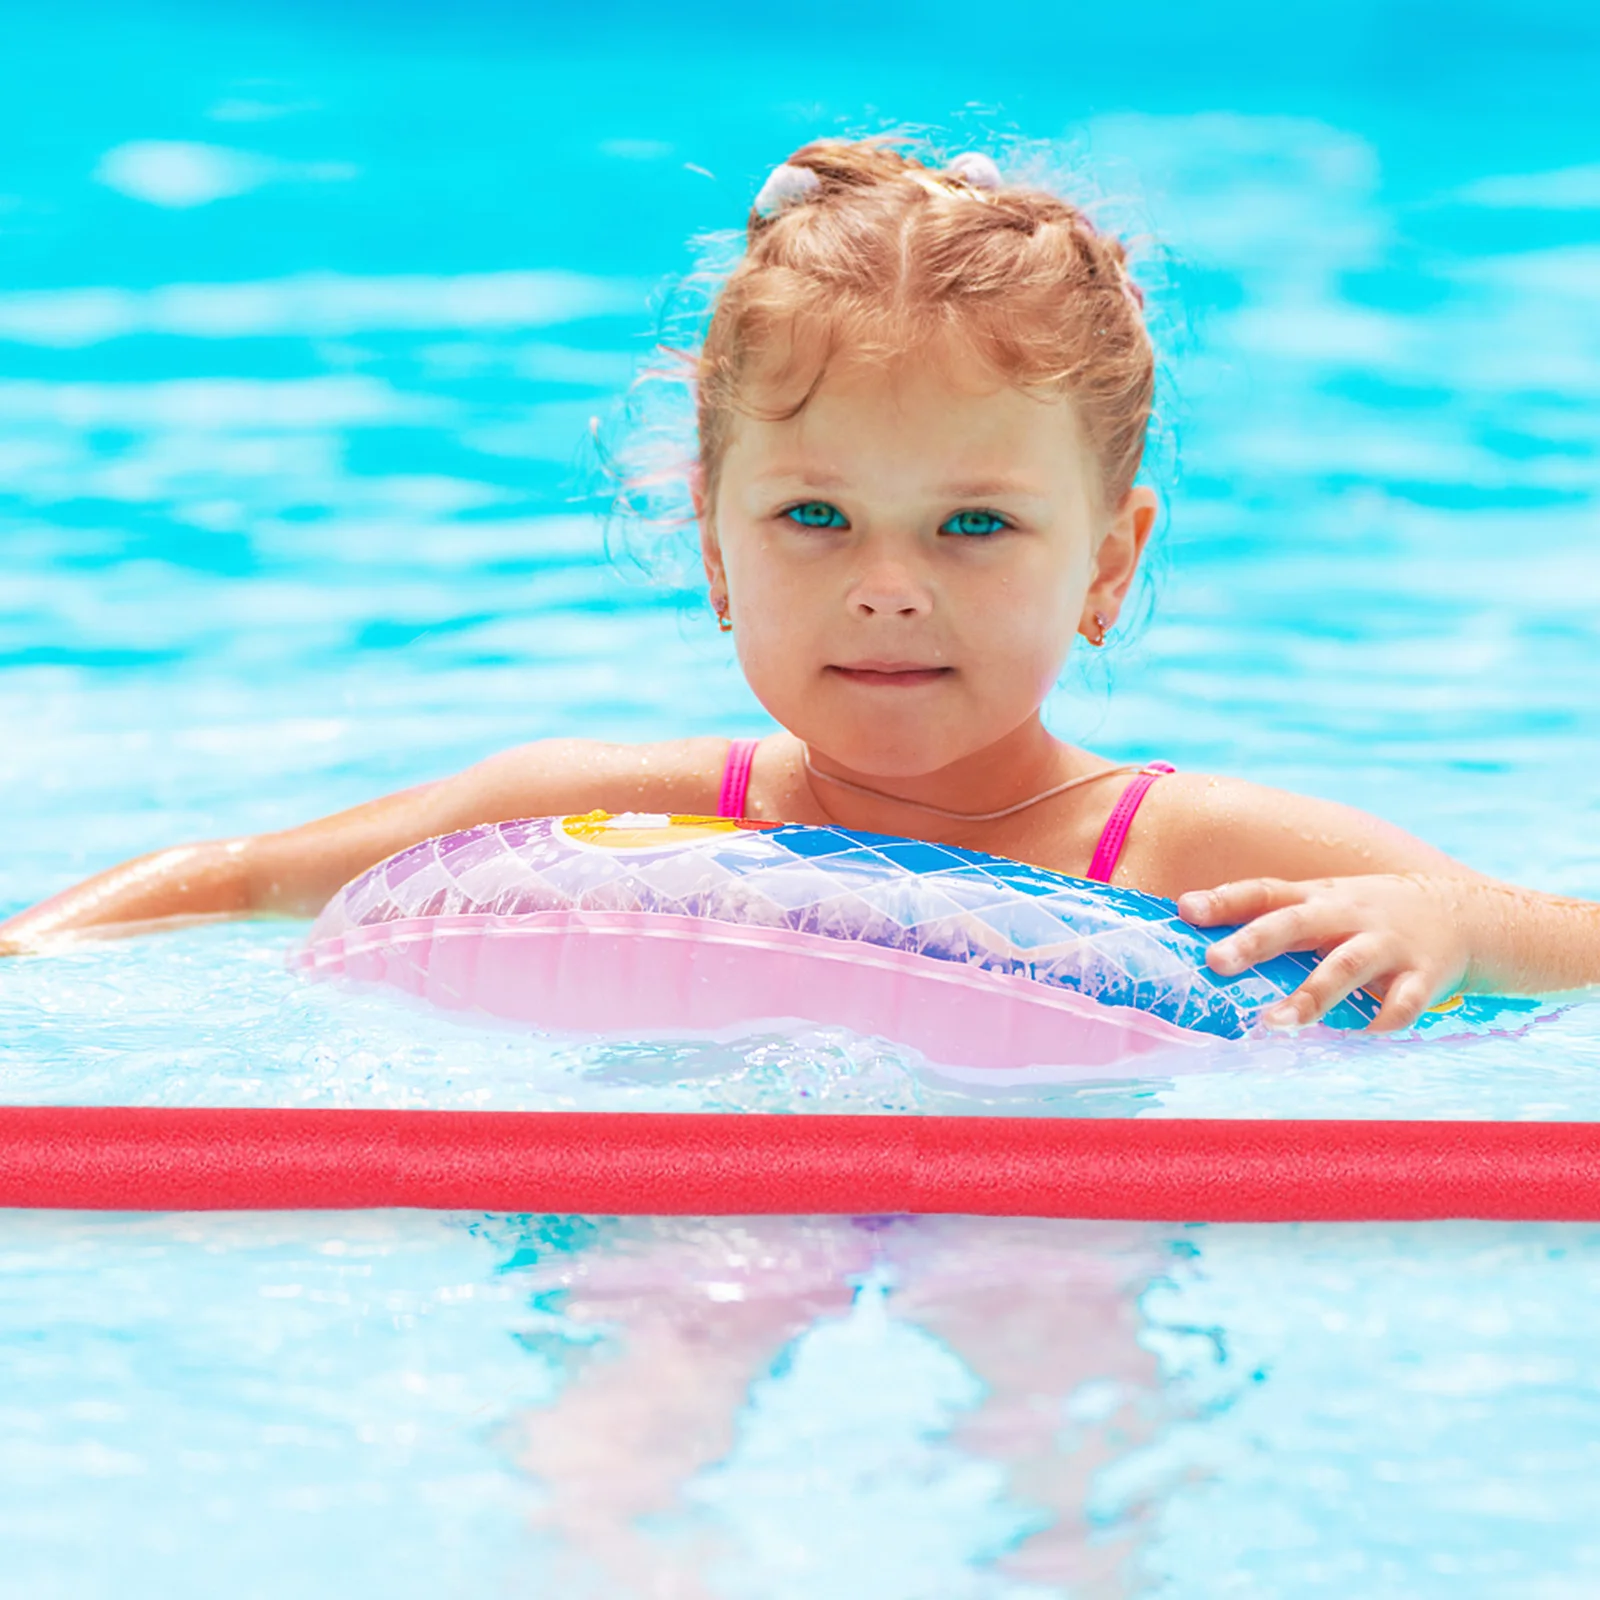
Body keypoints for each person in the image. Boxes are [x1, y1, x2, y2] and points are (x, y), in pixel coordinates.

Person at [4, 138, 1597, 1029]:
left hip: (1066, 1209)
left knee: (1069, 1397)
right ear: (711, 543)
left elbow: (1567, 942)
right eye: (816, 516)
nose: (888, 589)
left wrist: (1448, 920)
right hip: (702, 1197)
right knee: (641, 1371)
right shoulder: (602, 806)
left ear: (1108, 562)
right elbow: (228, 878)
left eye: (975, 528)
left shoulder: (1200, 855)